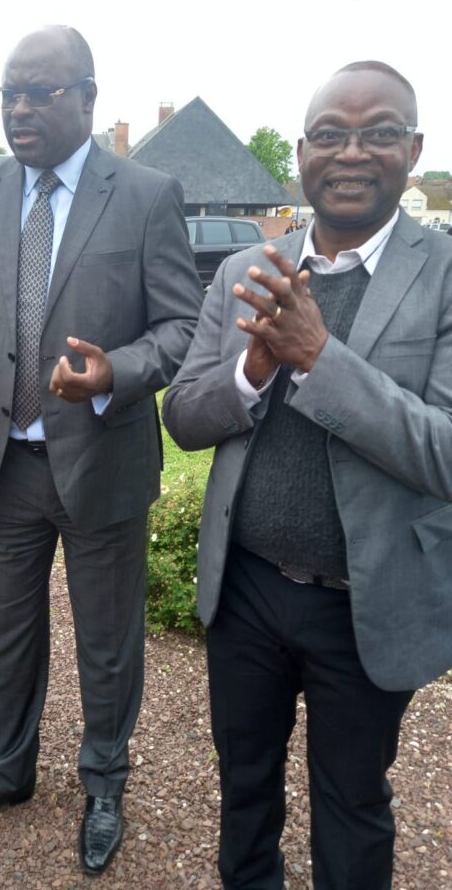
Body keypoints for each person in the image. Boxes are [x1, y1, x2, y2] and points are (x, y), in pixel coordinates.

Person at [0, 25, 202, 875]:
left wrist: (117, 372)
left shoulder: (145, 195)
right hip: (2, 463)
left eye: (41, 92)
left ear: (88, 97)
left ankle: (105, 783)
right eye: (10, 94)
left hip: (102, 459)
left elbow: (182, 327)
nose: (21, 109)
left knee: (108, 642)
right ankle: (6, 772)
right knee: (8, 634)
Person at [162, 61, 452, 890]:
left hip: (366, 598)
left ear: (414, 151)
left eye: (379, 133)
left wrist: (320, 358)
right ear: (300, 154)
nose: (351, 153)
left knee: (352, 803)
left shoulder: (444, 275)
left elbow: (444, 453)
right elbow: (184, 418)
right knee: (243, 785)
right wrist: (251, 371)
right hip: (247, 588)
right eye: (330, 135)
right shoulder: (241, 272)